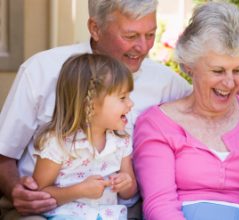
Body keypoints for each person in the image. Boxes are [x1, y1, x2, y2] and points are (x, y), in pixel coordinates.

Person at [0, 0, 191, 219]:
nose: (143, 47)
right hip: (45, 209)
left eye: (150, 34)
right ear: (95, 28)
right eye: (130, 36)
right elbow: (3, 154)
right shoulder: (41, 70)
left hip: (122, 210)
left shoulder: (168, 84)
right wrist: (17, 190)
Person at [133, 2, 239, 220]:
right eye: (218, 71)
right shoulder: (158, 124)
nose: (230, 83)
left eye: (238, 70)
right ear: (190, 65)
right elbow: (159, 204)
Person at [32, 53, 136, 219]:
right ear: (90, 104)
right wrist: (78, 191)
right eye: (123, 97)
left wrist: (126, 183)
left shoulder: (121, 142)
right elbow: (39, 194)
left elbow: (129, 193)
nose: (131, 104)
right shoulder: (57, 143)